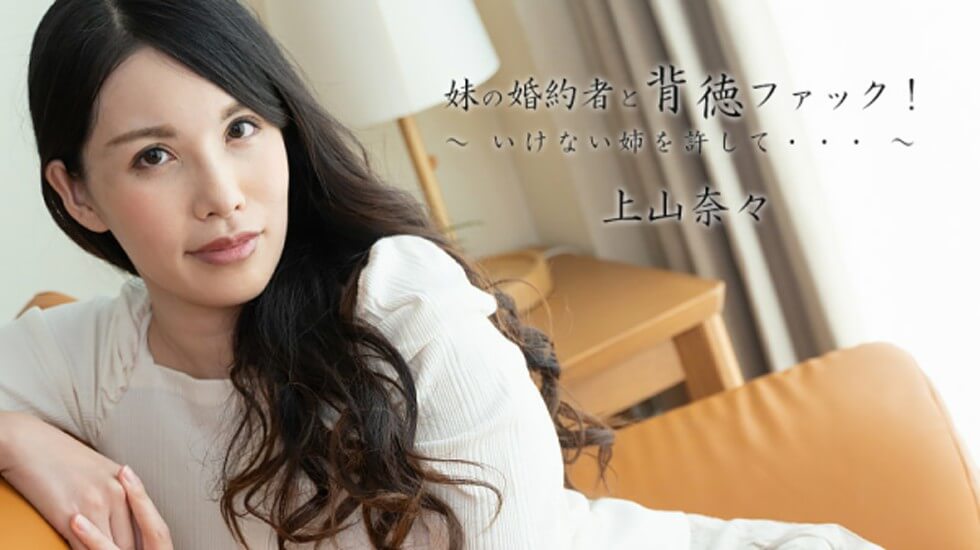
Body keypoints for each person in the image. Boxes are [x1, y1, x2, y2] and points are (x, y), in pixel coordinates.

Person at [0, 0, 885, 548]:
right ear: (77, 194)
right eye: (154, 156)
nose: (223, 196)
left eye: (240, 130)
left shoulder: (398, 302)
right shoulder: (95, 361)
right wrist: (21, 442)